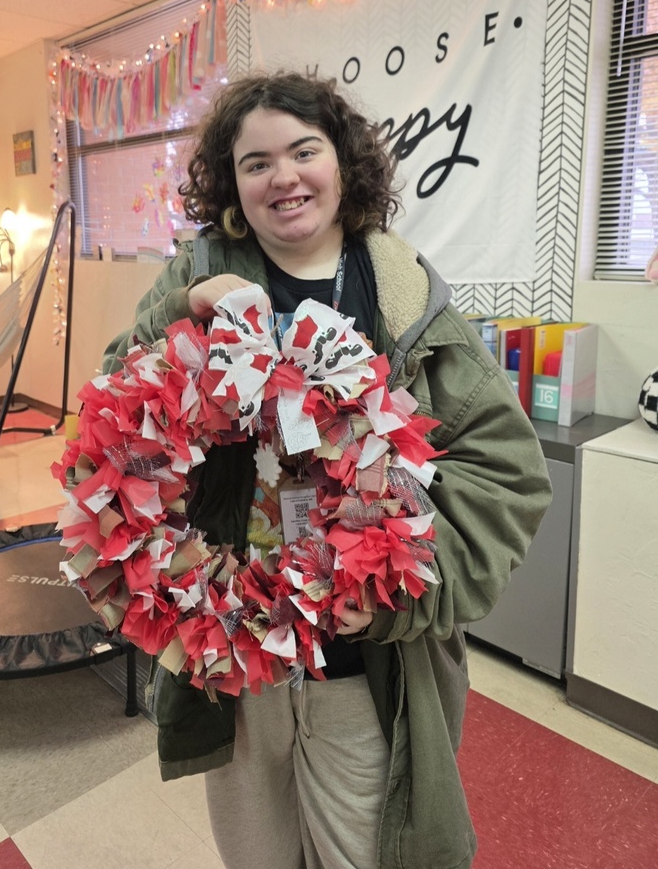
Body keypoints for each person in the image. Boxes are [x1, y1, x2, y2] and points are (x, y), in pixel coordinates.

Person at [102, 72, 552, 869]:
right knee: (257, 851)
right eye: (256, 162)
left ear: (342, 163)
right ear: (233, 183)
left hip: (361, 660)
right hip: (235, 650)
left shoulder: (405, 299)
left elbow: (505, 474)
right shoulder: (195, 278)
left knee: (361, 850)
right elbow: (118, 416)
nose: (284, 177)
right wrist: (178, 320)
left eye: (303, 151)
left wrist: (400, 591)